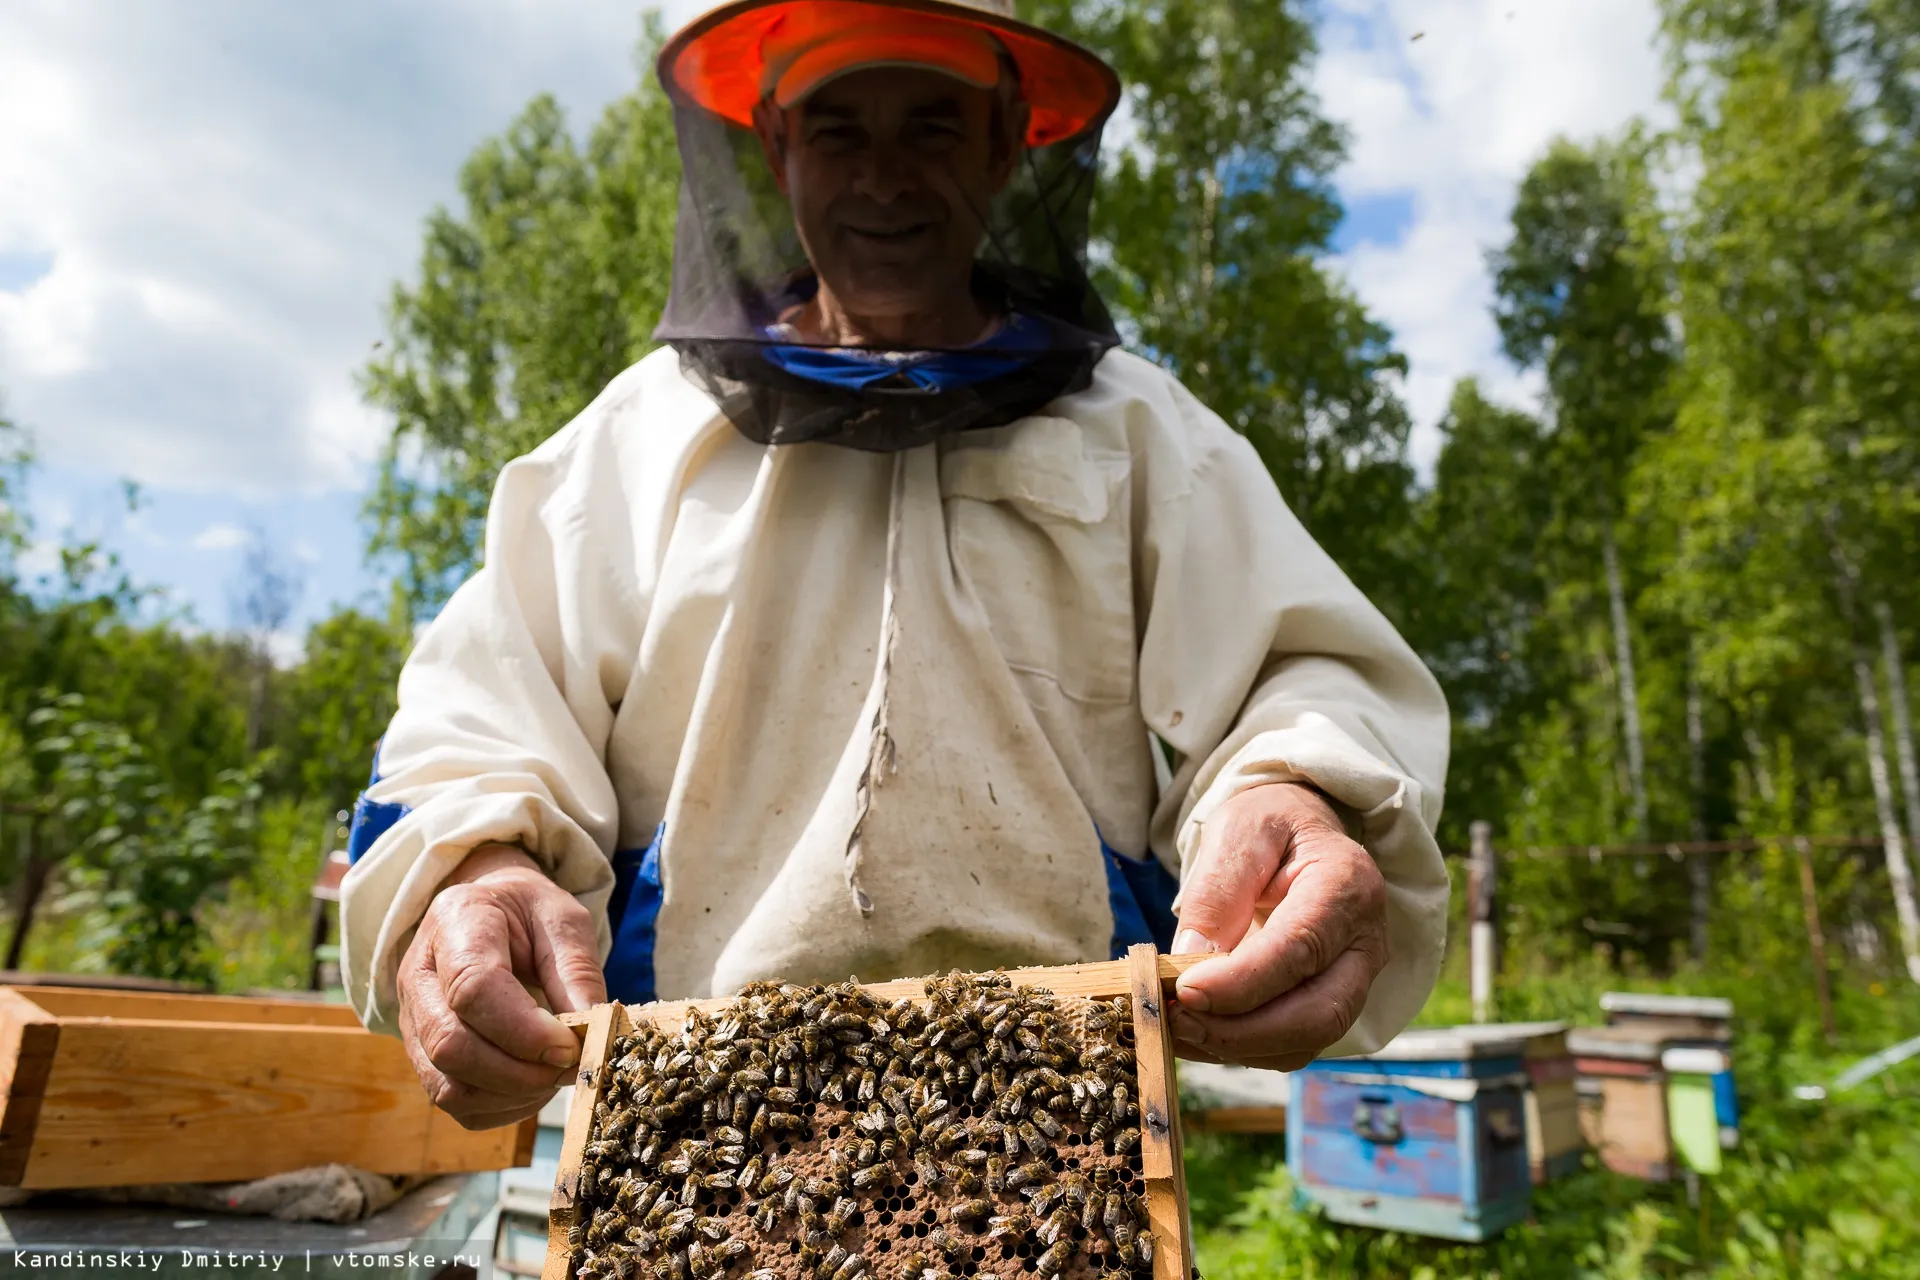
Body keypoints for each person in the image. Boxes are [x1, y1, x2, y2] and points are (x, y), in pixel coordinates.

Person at [340, 0, 1450, 1130]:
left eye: (930, 127)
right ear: (774, 143)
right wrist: (476, 871)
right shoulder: (634, 441)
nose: (882, 180)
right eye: (837, 131)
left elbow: (1307, 670)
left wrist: (1296, 791)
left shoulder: (1142, 432)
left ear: (1007, 138)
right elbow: (480, 717)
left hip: (1061, 1127)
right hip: (696, 1125)